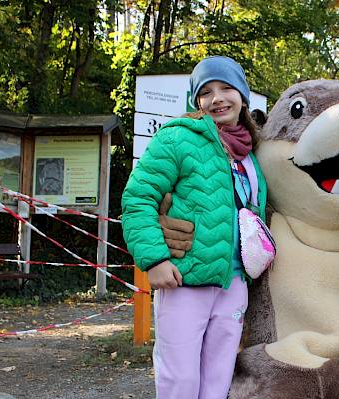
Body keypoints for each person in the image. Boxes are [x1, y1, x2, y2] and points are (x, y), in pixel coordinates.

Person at [121, 55, 268, 399]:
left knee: (218, 380)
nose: (217, 98)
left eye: (226, 88)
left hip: (233, 282)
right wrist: (154, 260)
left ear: (242, 96)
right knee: (180, 381)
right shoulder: (177, 139)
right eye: (206, 91)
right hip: (184, 280)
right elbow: (137, 200)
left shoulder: (251, 154)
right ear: (196, 101)